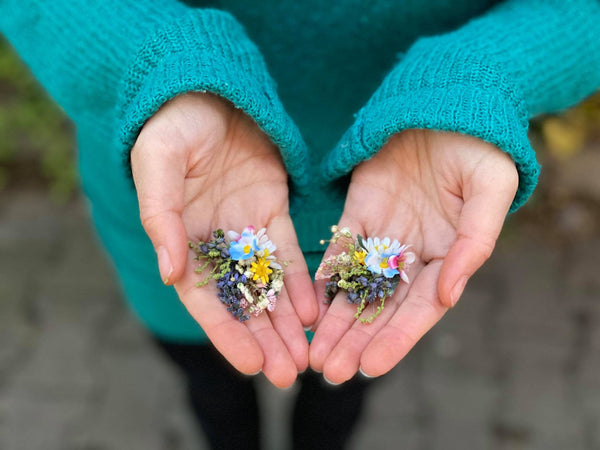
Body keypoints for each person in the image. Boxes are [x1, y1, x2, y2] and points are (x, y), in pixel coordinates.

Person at [2, 0, 599, 448]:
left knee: (344, 381)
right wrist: (158, 62)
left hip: (411, 204)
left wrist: (482, 79)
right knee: (208, 374)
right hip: (184, 194)